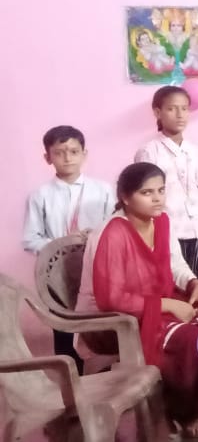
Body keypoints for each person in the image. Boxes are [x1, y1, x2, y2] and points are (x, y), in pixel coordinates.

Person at [78, 162, 198, 438]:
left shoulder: (161, 220)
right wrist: (168, 305)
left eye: (161, 190)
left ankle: (192, 401)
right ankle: (182, 412)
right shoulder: (112, 233)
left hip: (154, 301)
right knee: (189, 339)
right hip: (112, 321)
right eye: (147, 193)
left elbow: (175, 263)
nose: (157, 198)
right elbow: (111, 298)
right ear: (125, 197)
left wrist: (194, 284)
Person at [23, 125, 115, 374]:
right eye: (59, 152)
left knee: (98, 321)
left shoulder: (103, 190)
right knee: (62, 326)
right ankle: (71, 377)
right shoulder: (40, 195)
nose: (67, 158)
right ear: (47, 157)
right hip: (57, 272)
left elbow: (114, 228)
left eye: (74, 151)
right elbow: (30, 239)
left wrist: (92, 236)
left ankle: (102, 374)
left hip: (95, 267)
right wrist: (62, 244)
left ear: (85, 154)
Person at [135, 86, 198, 283]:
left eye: (184, 108)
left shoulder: (196, 152)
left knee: (197, 290)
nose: (180, 115)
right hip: (166, 237)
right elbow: (143, 201)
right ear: (157, 112)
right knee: (169, 290)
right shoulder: (149, 152)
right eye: (172, 108)